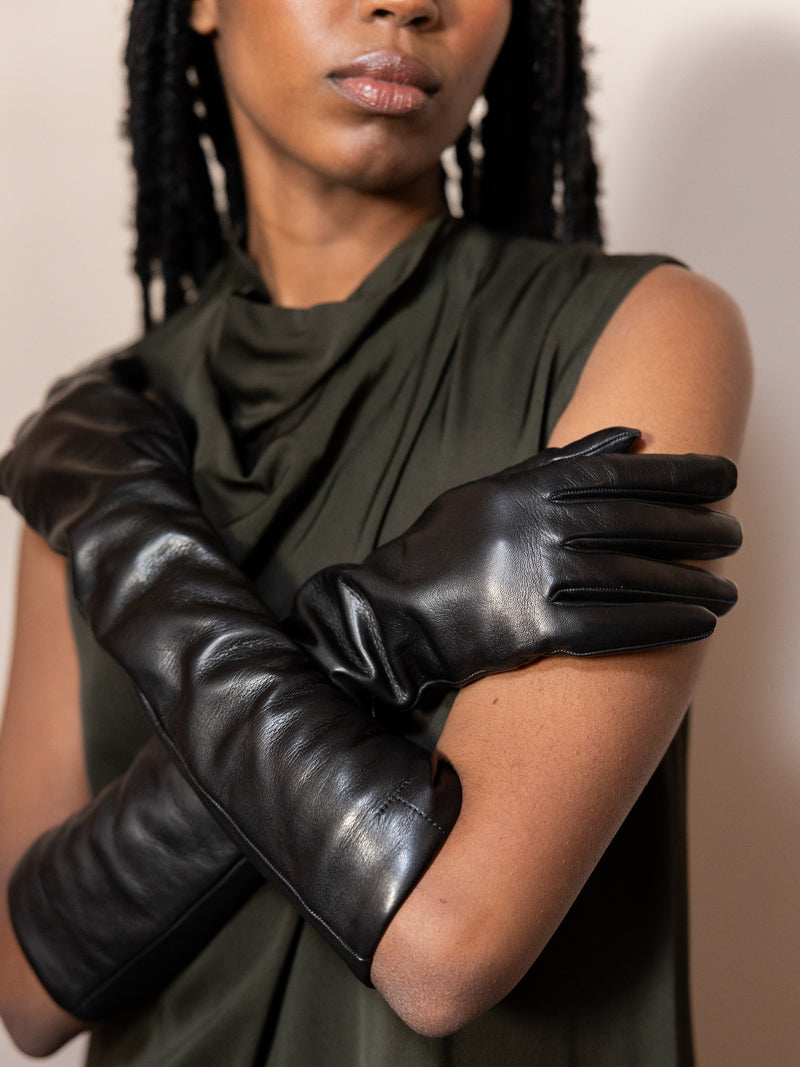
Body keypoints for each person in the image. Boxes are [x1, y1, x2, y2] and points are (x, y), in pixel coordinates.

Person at [0, 0, 751, 1065]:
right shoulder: (100, 441)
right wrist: (375, 624)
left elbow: (443, 952)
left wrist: (155, 573)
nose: (406, 2)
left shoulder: (639, 330)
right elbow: (25, 985)